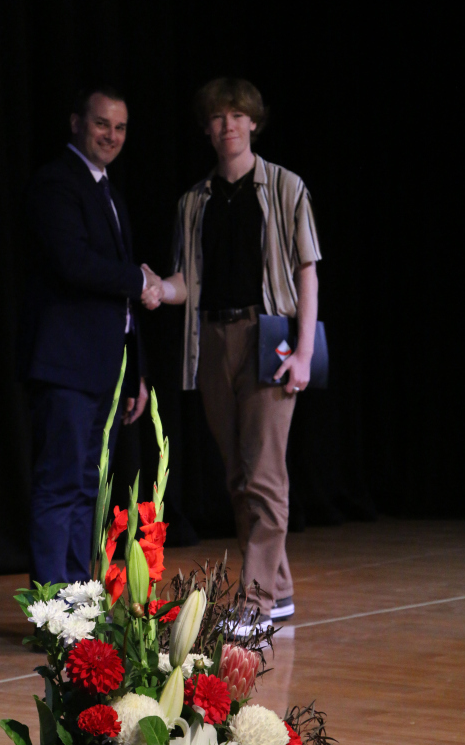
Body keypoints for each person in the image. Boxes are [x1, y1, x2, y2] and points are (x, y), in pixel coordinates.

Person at [142, 77, 321, 635]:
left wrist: (304, 353)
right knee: (239, 476)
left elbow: (307, 271)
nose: (229, 126)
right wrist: (158, 288)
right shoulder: (193, 202)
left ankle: (257, 602)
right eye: (219, 117)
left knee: (265, 473)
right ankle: (279, 589)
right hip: (213, 341)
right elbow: (187, 281)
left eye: (238, 116)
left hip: (270, 335)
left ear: (253, 123)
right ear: (207, 128)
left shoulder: (286, 187)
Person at [19, 85, 159, 586]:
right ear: (76, 123)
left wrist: (135, 371)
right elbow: (73, 263)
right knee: (60, 485)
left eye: (120, 128)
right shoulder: (56, 183)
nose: (112, 136)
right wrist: (141, 279)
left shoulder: (110, 193)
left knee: (87, 488)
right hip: (66, 365)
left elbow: (120, 302)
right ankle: (49, 608)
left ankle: (76, 606)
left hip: (106, 370)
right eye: (102, 124)